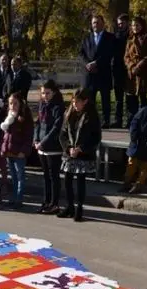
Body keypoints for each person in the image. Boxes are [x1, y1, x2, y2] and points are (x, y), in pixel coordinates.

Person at [59, 88, 101, 221]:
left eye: (77, 102)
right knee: (67, 180)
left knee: (80, 181)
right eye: (73, 102)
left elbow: (96, 137)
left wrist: (81, 149)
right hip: (70, 153)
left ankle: (79, 208)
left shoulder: (91, 116)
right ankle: (69, 206)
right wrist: (68, 148)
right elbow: (63, 134)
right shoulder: (69, 114)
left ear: (85, 101)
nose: (74, 105)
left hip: (83, 154)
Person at [34, 79, 65, 214]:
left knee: (54, 176)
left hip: (53, 147)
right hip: (41, 146)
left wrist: (43, 142)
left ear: (54, 92)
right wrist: (36, 139)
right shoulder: (42, 105)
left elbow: (56, 128)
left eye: (47, 93)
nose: (45, 96)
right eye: (43, 93)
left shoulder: (58, 107)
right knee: (46, 176)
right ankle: (46, 201)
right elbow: (38, 123)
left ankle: (54, 203)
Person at [80, 14, 115, 129]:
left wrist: (96, 63)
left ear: (103, 24)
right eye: (94, 23)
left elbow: (109, 53)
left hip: (103, 72)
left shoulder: (110, 37)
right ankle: (91, 121)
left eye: (98, 22)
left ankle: (106, 121)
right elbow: (81, 54)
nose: (96, 25)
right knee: (90, 99)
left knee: (105, 99)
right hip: (89, 74)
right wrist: (87, 64)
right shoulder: (86, 38)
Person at [0, 93, 34, 209]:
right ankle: (13, 199)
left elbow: (28, 136)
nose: (12, 106)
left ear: (20, 104)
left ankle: (19, 200)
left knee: (20, 178)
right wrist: (4, 149)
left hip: (19, 153)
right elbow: (6, 136)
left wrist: (23, 151)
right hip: (10, 152)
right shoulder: (9, 117)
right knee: (14, 177)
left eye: (15, 103)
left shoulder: (24, 118)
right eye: (10, 103)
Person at [124, 16, 147, 127]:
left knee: (143, 97)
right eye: (133, 25)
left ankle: (144, 121)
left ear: (142, 26)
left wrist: (139, 66)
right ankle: (132, 121)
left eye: (137, 25)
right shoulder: (130, 39)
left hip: (142, 73)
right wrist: (132, 66)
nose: (135, 27)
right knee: (132, 98)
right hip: (132, 73)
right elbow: (126, 56)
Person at [113, 14, 130, 129]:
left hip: (128, 69)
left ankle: (129, 120)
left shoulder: (131, 35)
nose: (120, 26)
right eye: (118, 24)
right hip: (117, 69)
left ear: (127, 23)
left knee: (129, 97)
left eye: (122, 23)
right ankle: (118, 120)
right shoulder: (116, 36)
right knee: (118, 98)